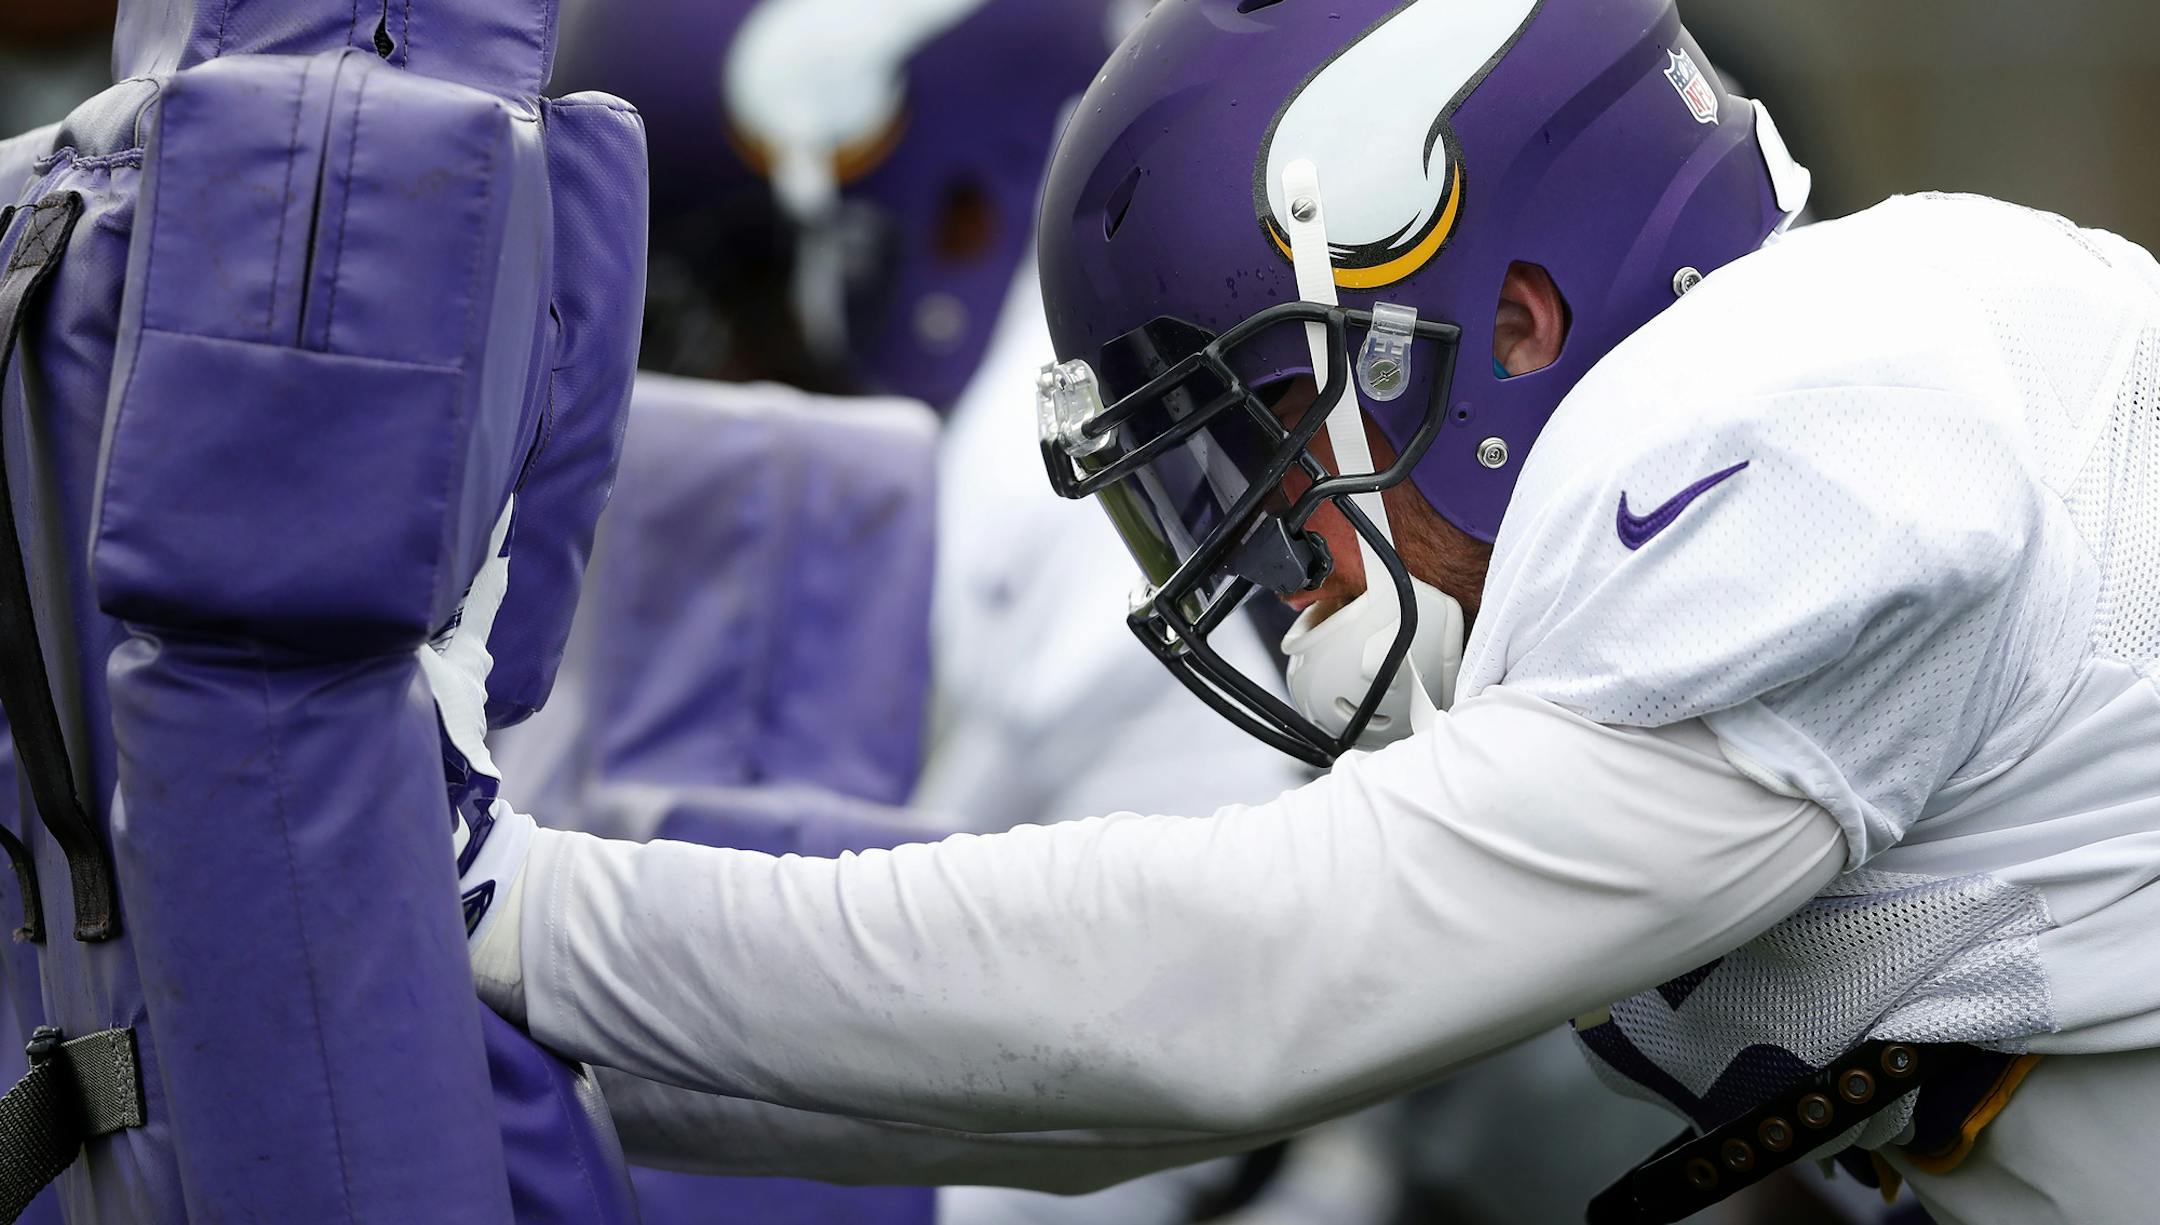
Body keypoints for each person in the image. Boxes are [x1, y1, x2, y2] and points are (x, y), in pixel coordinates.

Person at [455, 1, 2160, 1222]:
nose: (1281, 557)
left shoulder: (1830, 414)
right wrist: (543, 1041)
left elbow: (1241, 989)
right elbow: (1088, 1098)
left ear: (1517, 322)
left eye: (1273, 438)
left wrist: (530, 915)